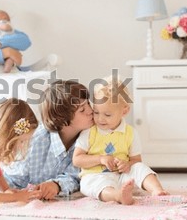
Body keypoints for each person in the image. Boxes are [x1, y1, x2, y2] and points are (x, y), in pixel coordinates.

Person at [72, 76, 168, 205]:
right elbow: (77, 160)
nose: (100, 119)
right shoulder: (89, 132)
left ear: (124, 111)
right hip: (96, 176)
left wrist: (127, 164)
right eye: (96, 112)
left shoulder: (130, 132)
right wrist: (100, 159)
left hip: (123, 177)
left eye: (107, 115)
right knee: (91, 184)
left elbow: (136, 160)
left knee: (139, 168)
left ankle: (157, 190)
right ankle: (117, 196)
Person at [2, 80, 94, 200]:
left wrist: (56, 185)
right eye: (82, 110)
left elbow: (75, 177)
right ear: (62, 120)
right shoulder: (34, 141)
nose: (90, 111)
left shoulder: (88, 139)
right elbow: (11, 179)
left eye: (88, 103)